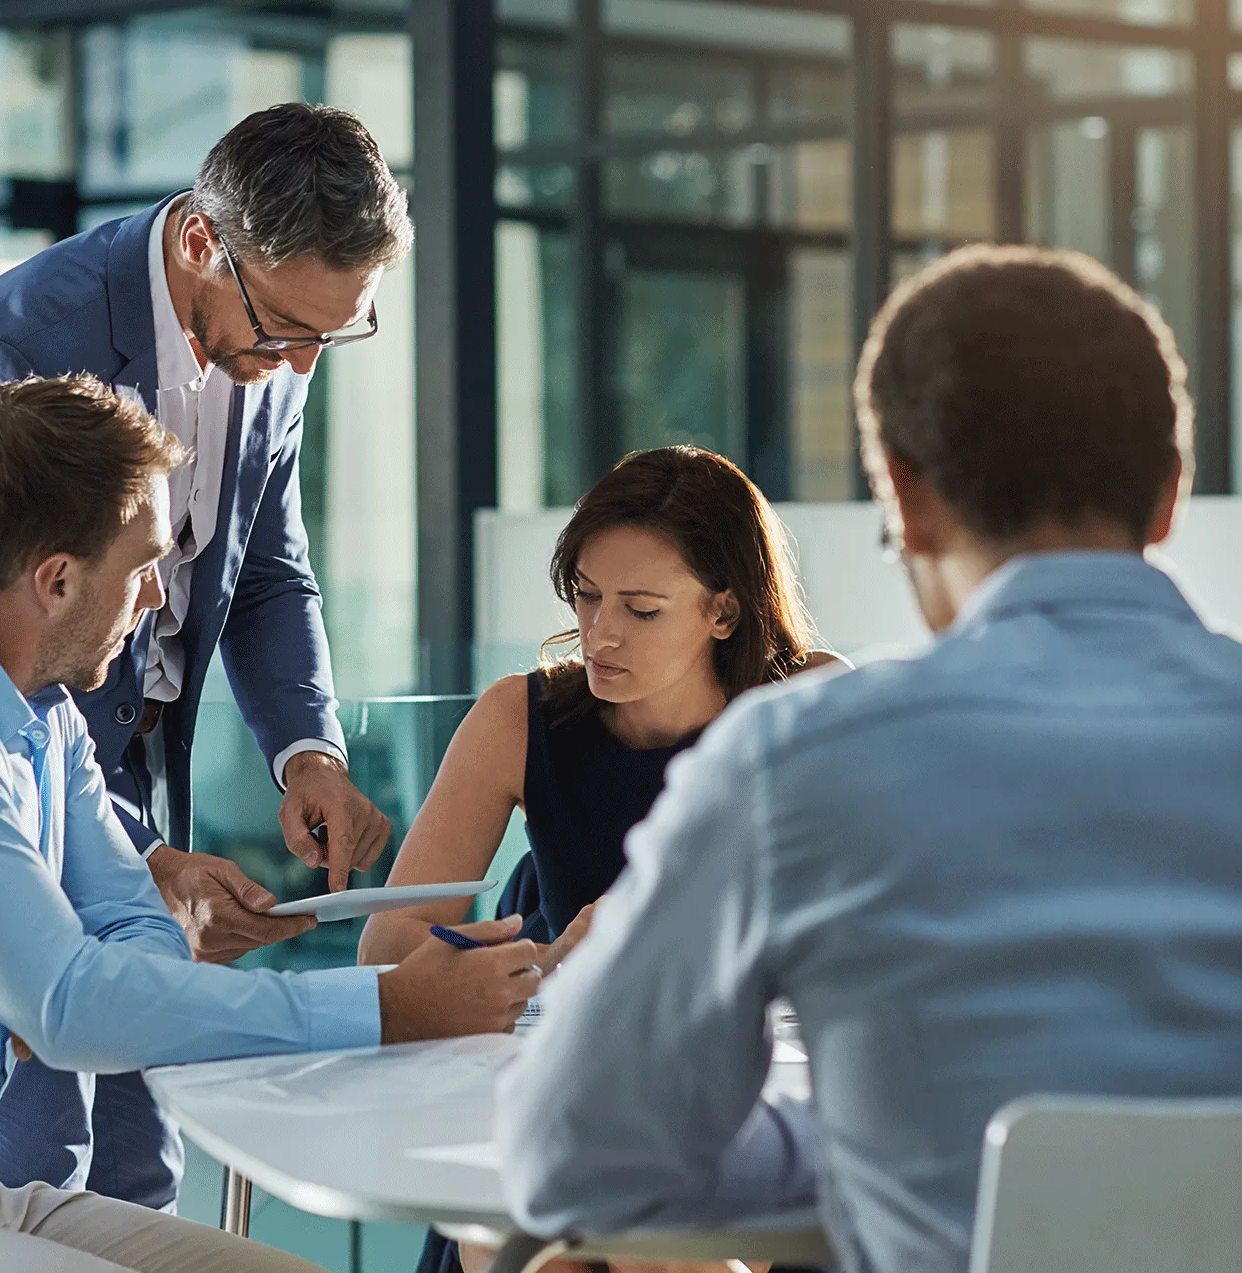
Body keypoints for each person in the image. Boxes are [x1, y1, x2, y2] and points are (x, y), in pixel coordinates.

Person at [494, 244, 1242, 1273]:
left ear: (904, 495)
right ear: (1169, 494)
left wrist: (856, 1145)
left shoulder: (797, 761)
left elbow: (569, 1158)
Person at [0, 375, 540, 1273]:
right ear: (56, 580)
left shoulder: (41, 709)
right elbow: (71, 1006)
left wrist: (80, 991)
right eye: (142, 568)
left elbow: (129, 926)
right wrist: (389, 1005)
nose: (157, 601)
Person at [0, 103, 408, 1207]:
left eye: (335, 336)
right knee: (34, 1141)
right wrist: (135, 855)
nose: (301, 363)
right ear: (203, 242)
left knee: (141, 1145)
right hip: (9, 772)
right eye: (285, 331)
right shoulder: (4, 351)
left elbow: (265, 567)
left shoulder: (280, 336)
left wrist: (307, 751)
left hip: (128, 762)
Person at [359, 446, 838, 975]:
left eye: (641, 610)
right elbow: (385, 946)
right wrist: (550, 961)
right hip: (553, 1013)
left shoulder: (811, 702)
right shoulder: (519, 718)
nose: (599, 635)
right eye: (587, 595)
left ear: (723, 613)